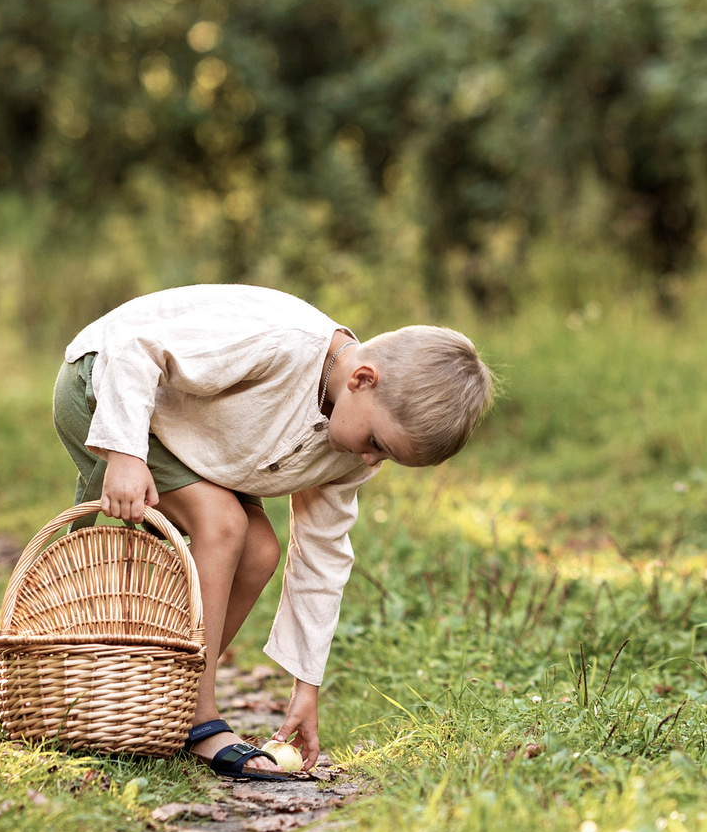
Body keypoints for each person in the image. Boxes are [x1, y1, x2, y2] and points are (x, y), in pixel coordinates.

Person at [54, 285, 493, 780]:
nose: (372, 460)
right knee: (223, 524)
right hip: (105, 386)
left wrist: (306, 687)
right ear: (363, 379)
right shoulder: (282, 344)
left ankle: (156, 689)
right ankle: (195, 717)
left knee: (261, 551)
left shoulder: (349, 449)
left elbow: (322, 556)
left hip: (186, 435)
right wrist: (126, 453)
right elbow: (134, 345)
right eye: (377, 444)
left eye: (386, 457)